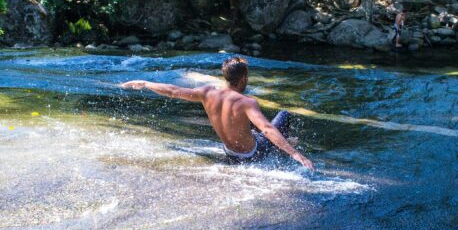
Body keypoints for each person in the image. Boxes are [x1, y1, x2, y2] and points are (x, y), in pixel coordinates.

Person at [121, 56, 314, 171]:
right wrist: (297, 155)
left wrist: (145, 83)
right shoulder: (247, 102)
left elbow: (172, 91)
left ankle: (284, 144)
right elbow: (267, 128)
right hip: (252, 155)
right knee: (284, 115)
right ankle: (285, 148)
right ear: (244, 79)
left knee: (253, 126)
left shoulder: (207, 93)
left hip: (230, 153)